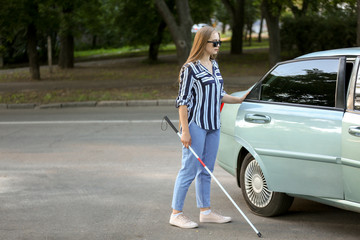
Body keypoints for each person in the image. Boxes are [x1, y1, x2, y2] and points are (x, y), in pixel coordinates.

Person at [169, 26, 250, 229]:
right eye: (214, 42)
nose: (218, 46)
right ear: (202, 43)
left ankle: (205, 212)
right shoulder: (190, 69)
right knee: (189, 169)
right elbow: (183, 102)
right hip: (196, 125)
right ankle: (176, 214)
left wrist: (239, 99)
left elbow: (220, 94)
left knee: (207, 170)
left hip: (214, 125)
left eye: (219, 42)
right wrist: (185, 131)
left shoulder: (214, 66)